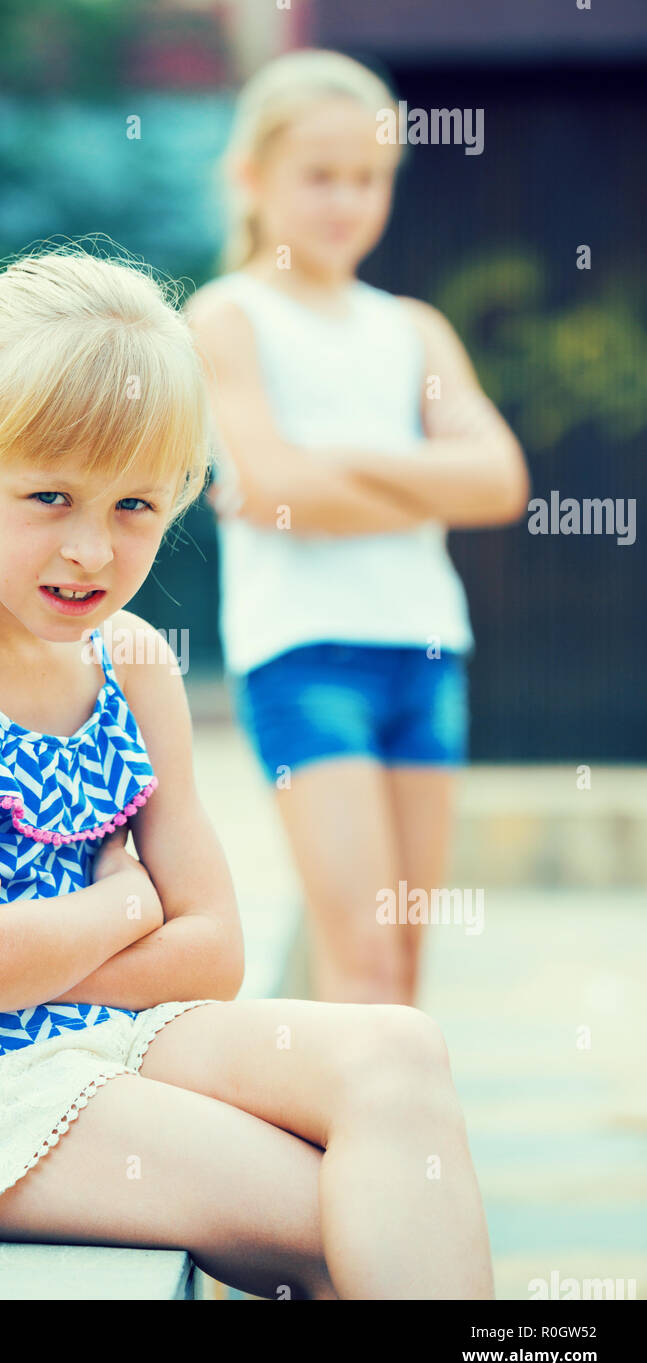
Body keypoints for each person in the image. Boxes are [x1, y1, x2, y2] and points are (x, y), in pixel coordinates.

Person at [0, 246, 495, 1299]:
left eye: (136, 508)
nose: (91, 555)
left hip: (107, 1038)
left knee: (400, 1054)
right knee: (351, 1209)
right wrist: (127, 905)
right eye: (51, 496)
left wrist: (46, 937)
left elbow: (214, 952)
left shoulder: (133, 661)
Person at [185, 50, 528, 1008]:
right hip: (303, 659)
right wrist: (426, 483)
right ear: (252, 180)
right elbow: (275, 486)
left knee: (406, 967)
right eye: (320, 176)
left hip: (424, 655)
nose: (348, 200)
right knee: (362, 960)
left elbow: (499, 480)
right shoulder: (228, 318)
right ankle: (343, 1156)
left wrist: (332, 464)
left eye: (369, 178)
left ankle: (380, 1148)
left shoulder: (412, 330)